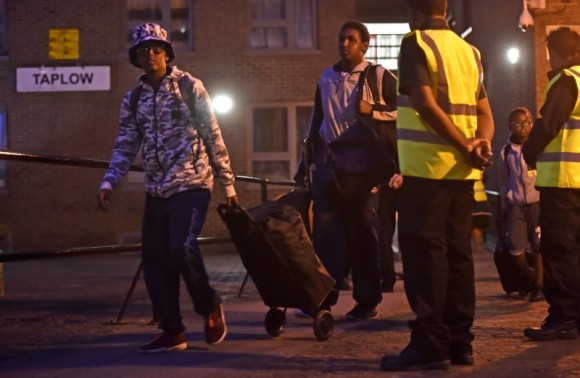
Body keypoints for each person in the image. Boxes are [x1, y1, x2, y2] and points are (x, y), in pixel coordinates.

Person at [97, 23, 239, 353]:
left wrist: (228, 184)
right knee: (155, 259)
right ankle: (173, 331)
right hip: (156, 189)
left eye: (156, 48)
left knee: (181, 248)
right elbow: (125, 144)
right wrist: (109, 181)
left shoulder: (190, 87)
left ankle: (209, 305)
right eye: (143, 50)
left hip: (192, 183)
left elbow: (212, 135)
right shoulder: (133, 99)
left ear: (167, 52)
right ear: (136, 57)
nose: (151, 54)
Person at [380, 0, 494, 371]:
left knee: (426, 259)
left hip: (426, 173)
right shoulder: (469, 51)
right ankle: (461, 343)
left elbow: (425, 105)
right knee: (458, 258)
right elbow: (485, 114)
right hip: (462, 175)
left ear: (412, 11)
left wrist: (464, 145)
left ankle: (431, 344)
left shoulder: (416, 43)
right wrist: (480, 145)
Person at [294, 21, 399, 321]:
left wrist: (375, 111)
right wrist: (304, 165)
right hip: (330, 169)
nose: (345, 44)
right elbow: (317, 122)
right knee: (326, 237)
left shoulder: (378, 75)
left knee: (364, 236)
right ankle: (320, 300)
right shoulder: (326, 77)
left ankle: (367, 302)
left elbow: (407, 110)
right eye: (342, 39)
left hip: (365, 171)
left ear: (364, 45)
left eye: (352, 40)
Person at [522, 26, 580, 341]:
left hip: (563, 183)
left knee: (559, 251)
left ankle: (563, 318)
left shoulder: (567, 81)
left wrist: (529, 150)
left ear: (562, 54)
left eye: (552, 54)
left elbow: (550, 123)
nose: (551, 61)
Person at [499, 107, 544, 302]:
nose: (523, 127)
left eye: (526, 122)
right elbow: (503, 179)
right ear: (511, 126)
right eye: (518, 123)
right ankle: (528, 276)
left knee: (538, 245)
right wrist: (504, 200)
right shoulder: (506, 151)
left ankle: (539, 287)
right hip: (515, 204)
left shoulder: (539, 146)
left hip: (537, 203)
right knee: (515, 247)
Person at [471, 177, 491, 254]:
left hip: (474, 199)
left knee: (476, 225)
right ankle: (478, 245)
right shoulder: (480, 169)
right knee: (478, 225)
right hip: (481, 199)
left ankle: (477, 246)